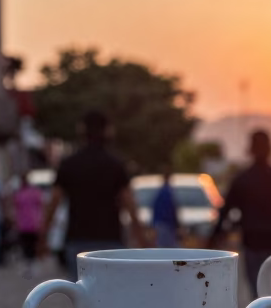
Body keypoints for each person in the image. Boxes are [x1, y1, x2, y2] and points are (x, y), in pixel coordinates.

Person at [41, 110, 146, 281]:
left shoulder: (69, 164)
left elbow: (53, 203)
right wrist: (141, 239)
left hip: (77, 239)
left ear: (81, 131)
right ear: (108, 131)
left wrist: (43, 237)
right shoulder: (115, 164)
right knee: (111, 294)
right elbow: (130, 205)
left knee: (81, 296)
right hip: (110, 239)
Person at [209, 128, 271, 298]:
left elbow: (224, 213)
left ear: (251, 149)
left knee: (258, 293)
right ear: (270, 149)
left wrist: (213, 240)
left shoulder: (242, 179)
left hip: (252, 244)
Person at [12, 173, 43, 278]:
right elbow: (41, 205)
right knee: (33, 245)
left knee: (25, 246)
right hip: (34, 223)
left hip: (23, 224)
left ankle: (27, 266)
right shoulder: (35, 192)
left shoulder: (19, 194)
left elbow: (15, 207)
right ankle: (33, 266)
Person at [151, 167, 182, 248]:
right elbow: (172, 209)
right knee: (169, 248)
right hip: (167, 224)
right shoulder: (167, 192)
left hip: (162, 224)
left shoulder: (162, 191)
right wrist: (177, 224)